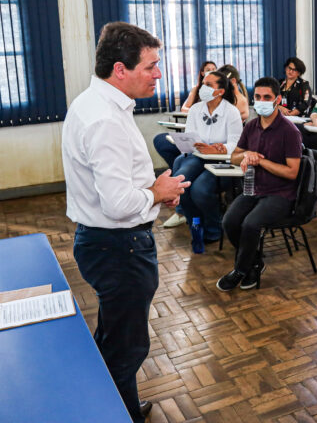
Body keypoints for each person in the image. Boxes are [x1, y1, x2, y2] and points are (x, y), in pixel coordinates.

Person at [62, 22, 190, 422]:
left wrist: (151, 189)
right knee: (127, 348)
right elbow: (118, 204)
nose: (158, 74)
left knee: (115, 337)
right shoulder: (104, 120)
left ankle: (122, 404)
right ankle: (118, 414)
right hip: (118, 247)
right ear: (120, 69)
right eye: (151, 66)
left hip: (107, 244)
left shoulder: (98, 104)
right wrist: (158, 191)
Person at [217, 77, 302, 291]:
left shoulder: (289, 131)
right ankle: (255, 261)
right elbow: (234, 157)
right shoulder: (252, 126)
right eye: (257, 97)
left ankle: (240, 270)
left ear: (278, 100)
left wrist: (261, 160)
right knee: (229, 221)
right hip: (254, 188)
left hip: (280, 194)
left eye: (267, 97)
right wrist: (247, 154)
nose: (261, 101)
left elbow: (292, 173)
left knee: (251, 224)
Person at [171, 70, 243, 243]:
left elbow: (237, 144)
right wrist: (197, 145)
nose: (203, 87)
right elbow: (189, 136)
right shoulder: (195, 109)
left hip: (224, 162)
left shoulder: (231, 112)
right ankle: (196, 226)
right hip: (198, 157)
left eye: (209, 85)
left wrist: (219, 149)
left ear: (220, 91)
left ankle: (213, 230)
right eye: (204, 83)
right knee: (181, 184)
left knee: (200, 190)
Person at [152, 59, 217, 220]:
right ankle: (182, 203)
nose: (210, 71)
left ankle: (181, 210)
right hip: (193, 140)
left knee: (183, 164)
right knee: (162, 141)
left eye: (213, 69)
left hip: (208, 146)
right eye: (207, 69)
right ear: (202, 73)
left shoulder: (220, 96)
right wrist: (196, 110)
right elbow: (184, 108)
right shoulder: (197, 90)